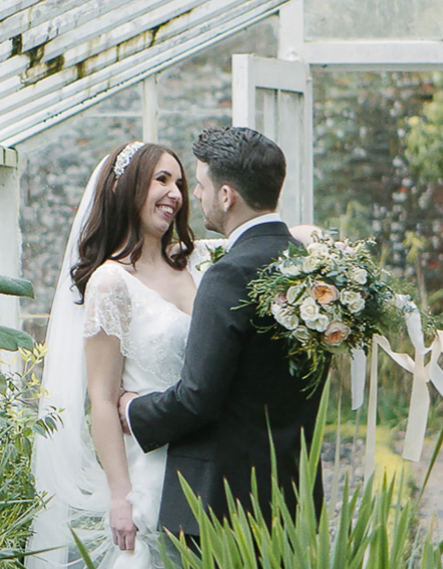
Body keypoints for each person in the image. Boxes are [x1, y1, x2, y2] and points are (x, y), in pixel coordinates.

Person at [25, 139, 201, 569]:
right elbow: (102, 398)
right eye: (161, 179)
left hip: (207, 477)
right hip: (150, 484)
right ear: (129, 189)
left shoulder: (200, 266)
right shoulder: (109, 283)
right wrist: (121, 492)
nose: (174, 194)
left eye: (181, 183)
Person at [122, 124, 326, 539]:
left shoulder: (228, 276)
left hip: (226, 507)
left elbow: (197, 398)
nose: (193, 196)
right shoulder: (309, 265)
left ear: (227, 195)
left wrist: (132, 410)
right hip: (296, 493)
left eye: (199, 185)